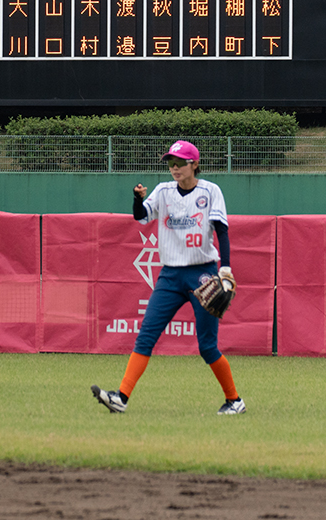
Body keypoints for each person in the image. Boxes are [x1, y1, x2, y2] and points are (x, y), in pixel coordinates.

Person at [91, 139, 245, 415]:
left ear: (194, 164)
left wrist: (226, 268)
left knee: (207, 346)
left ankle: (235, 400)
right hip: (170, 276)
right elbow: (141, 216)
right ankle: (121, 398)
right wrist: (137, 198)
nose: (174, 168)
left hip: (203, 274)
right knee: (146, 336)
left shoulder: (210, 191)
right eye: (171, 163)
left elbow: (221, 230)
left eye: (180, 163)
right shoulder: (163, 191)